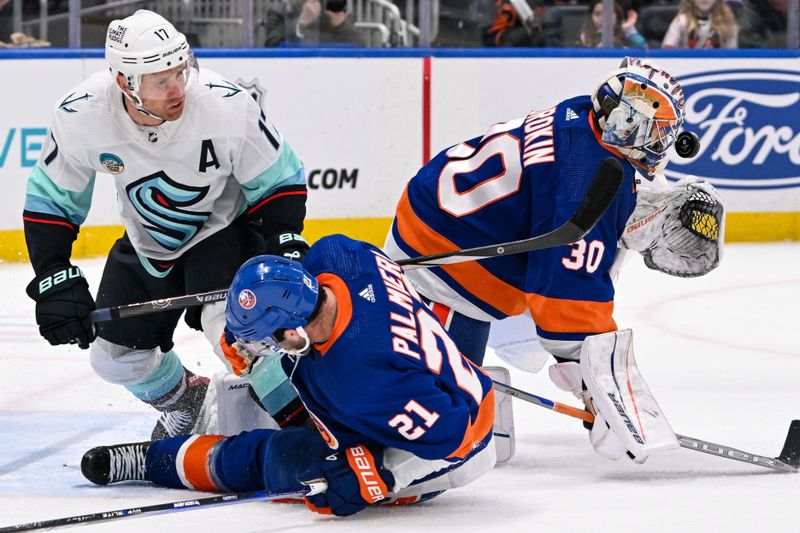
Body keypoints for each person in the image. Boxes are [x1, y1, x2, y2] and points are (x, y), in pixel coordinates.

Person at [383, 57, 724, 459]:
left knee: (538, 334)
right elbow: (566, 303)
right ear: (627, 121)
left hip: (448, 228)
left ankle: (471, 378)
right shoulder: (587, 178)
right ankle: (462, 379)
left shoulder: (583, 118)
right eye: (655, 132)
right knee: (444, 432)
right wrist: (597, 392)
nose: (658, 145)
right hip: (443, 265)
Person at [22, 10, 309, 441]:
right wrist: (52, 276)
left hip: (223, 232)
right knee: (113, 357)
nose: (178, 88)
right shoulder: (82, 114)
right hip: (148, 244)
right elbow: (52, 201)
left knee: (241, 336)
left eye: (181, 70)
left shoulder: (224, 102)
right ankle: (188, 403)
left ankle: (308, 425)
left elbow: (278, 179)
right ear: (125, 83)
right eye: (161, 80)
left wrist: (284, 240)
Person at [80, 234, 497, 517]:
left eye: (266, 337)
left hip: (451, 447)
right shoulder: (338, 256)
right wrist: (242, 328)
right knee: (283, 386)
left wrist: (380, 475)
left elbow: (455, 437)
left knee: (284, 460)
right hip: (443, 377)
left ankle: (157, 462)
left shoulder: (357, 379)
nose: (260, 346)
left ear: (292, 327)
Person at [264, 0, 365, 47]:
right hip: (293, 70)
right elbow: (271, 45)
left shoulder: (333, 7)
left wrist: (341, 25)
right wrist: (301, 23)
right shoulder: (280, 11)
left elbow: (360, 46)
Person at [662, 0, 738, 49]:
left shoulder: (727, 22)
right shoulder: (681, 21)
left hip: (718, 67)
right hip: (686, 65)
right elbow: (667, 49)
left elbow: (732, 53)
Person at [577, 0, 647, 48]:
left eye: (609, 13)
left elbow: (643, 47)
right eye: (598, 14)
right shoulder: (584, 37)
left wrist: (628, 29)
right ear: (591, 17)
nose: (603, 18)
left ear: (617, 15)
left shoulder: (627, 35)